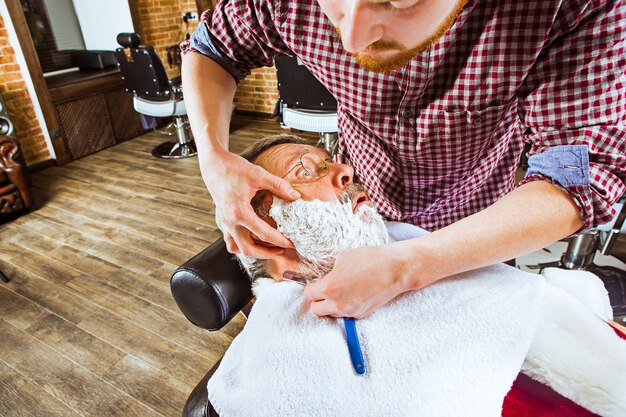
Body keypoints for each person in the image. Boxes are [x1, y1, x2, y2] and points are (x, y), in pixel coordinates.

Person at [181, 0, 626, 318]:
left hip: (473, 225)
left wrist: (410, 266)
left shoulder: (568, 8)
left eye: (395, 3)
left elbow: (581, 177)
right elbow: (212, 47)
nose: (351, 37)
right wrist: (212, 157)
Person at [204, 134, 626, 417]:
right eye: (305, 171)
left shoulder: (404, 242)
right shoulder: (284, 366)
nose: (346, 171)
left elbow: (586, 176)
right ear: (265, 234)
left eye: (330, 161)